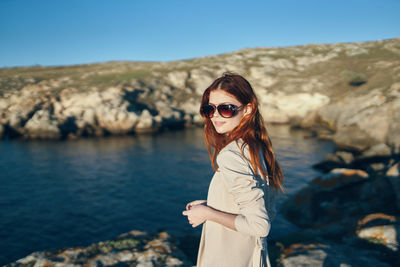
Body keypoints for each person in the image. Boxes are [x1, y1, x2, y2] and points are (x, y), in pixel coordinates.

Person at [182, 73, 284, 267]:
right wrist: (212, 203)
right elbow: (265, 208)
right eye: (209, 109)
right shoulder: (256, 148)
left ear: (248, 109)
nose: (216, 116)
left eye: (226, 109)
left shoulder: (231, 155)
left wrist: (207, 213)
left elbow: (259, 225)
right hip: (250, 255)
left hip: (228, 257)